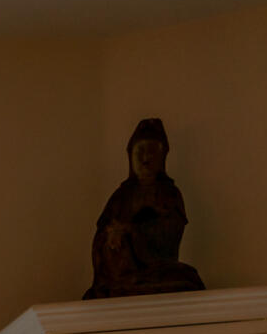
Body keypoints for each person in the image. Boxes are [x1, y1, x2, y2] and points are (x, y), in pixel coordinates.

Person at [85, 118, 205, 300]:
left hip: (157, 267)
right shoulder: (121, 196)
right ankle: (125, 281)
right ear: (130, 157)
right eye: (140, 152)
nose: (146, 159)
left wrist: (134, 231)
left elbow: (171, 233)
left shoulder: (170, 193)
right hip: (122, 268)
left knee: (184, 277)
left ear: (162, 157)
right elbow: (103, 232)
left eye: (152, 152)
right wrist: (111, 235)